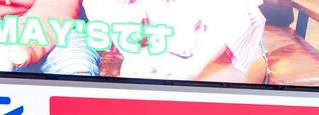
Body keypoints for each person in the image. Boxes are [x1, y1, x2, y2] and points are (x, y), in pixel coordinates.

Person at [83, 0, 266, 83]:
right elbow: (108, 14)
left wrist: (192, 68)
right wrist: (136, 57)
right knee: (137, 74)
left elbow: (232, 21)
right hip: (164, 49)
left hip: (222, 50)